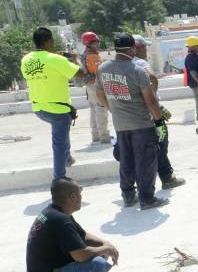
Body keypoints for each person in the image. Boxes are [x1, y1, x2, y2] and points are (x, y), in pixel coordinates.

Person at [25, 177, 117, 272]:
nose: (81, 196)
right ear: (73, 196)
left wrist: (104, 244)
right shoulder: (60, 220)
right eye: (80, 192)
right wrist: (105, 249)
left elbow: (83, 236)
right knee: (98, 264)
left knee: (100, 251)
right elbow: (80, 256)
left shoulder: (55, 212)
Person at [96, 33, 169, 210]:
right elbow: (150, 102)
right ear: (132, 49)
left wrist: (112, 109)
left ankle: (128, 196)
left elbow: (99, 93)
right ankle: (147, 199)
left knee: (126, 160)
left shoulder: (103, 68)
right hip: (141, 125)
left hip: (120, 125)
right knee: (145, 161)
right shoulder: (137, 70)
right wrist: (159, 122)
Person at [21, 26, 85, 179]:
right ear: (49, 41)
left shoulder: (26, 59)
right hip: (58, 110)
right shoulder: (56, 59)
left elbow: (42, 69)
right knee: (59, 144)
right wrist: (76, 58)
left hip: (38, 108)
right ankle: (59, 179)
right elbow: (82, 74)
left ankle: (67, 158)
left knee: (62, 135)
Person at [131, 35, 185, 189]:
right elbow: (153, 78)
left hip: (132, 116)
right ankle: (167, 178)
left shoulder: (122, 65)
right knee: (162, 139)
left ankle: (141, 184)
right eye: (145, 47)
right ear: (137, 48)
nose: (146, 50)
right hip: (150, 113)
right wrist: (152, 96)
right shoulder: (140, 63)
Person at [80, 31, 109, 143]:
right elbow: (100, 72)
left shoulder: (86, 54)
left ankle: (96, 136)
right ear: (89, 44)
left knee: (94, 110)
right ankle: (104, 136)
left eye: (97, 41)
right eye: (94, 42)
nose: (97, 44)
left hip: (90, 86)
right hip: (96, 85)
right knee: (101, 109)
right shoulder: (93, 56)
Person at [183, 35, 198, 123]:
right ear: (192, 47)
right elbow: (192, 72)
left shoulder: (197, 55)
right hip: (197, 84)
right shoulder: (191, 57)